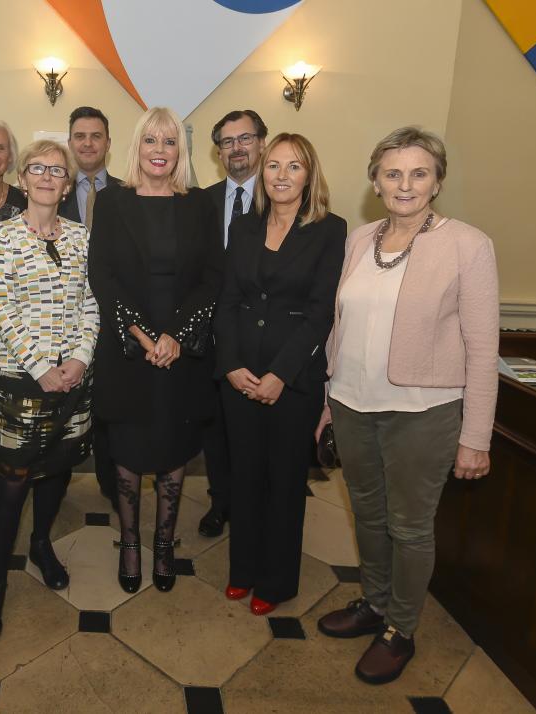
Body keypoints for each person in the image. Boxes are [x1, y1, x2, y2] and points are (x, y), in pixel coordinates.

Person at [315, 127, 498, 684]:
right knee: (367, 514)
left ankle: (400, 627)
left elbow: (483, 348)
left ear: (437, 181)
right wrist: (328, 401)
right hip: (351, 402)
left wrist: (476, 436)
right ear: (376, 180)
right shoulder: (360, 239)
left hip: (424, 410)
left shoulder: (468, 244)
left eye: (419, 173)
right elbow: (340, 326)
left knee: (410, 526)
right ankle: (373, 602)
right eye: (393, 173)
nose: (405, 184)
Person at [89, 107, 223, 595]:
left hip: (181, 354)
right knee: (127, 447)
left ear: (180, 152)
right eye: (151, 140)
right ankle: (130, 541)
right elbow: (102, 277)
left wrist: (175, 337)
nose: (159, 151)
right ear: (137, 147)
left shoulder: (199, 206)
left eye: (169, 142)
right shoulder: (110, 203)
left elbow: (212, 278)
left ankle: (163, 543)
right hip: (129, 352)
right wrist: (147, 337)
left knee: (173, 446)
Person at [214, 133, 346, 617]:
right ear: (262, 173)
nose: (282, 175)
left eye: (294, 166)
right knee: (243, 477)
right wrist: (230, 364)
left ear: (309, 174)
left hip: (293, 382)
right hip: (239, 377)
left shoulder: (330, 230)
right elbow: (227, 300)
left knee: (284, 482)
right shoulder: (245, 228)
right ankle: (242, 570)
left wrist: (280, 375)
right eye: (273, 165)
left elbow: (319, 313)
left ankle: (275, 580)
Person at [0, 140, 99, 640]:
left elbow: (93, 303)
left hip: (74, 377)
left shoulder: (82, 237)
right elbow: (2, 310)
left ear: (67, 184)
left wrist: (79, 359)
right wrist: (43, 366)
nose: (47, 176)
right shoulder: (0, 238)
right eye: (38, 168)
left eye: (57, 170)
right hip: (21, 379)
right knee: (13, 480)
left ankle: (43, 544)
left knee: (58, 469)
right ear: (23, 179)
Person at [198, 108, 269, 539]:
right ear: (218, 151)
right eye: (228, 142)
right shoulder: (200, 202)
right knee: (216, 429)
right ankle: (221, 501)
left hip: (260, 340)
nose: (237, 148)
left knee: (256, 432)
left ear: (262, 142)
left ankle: (255, 505)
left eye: (245, 138)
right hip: (210, 339)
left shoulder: (281, 197)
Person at [59, 105, 121, 507]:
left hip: (114, 319)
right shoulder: (53, 191)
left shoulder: (127, 193)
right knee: (65, 401)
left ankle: (112, 484)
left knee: (110, 404)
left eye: (95, 136)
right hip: (64, 320)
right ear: (70, 143)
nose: (87, 143)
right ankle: (55, 480)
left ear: (108, 144)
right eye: (80, 136)